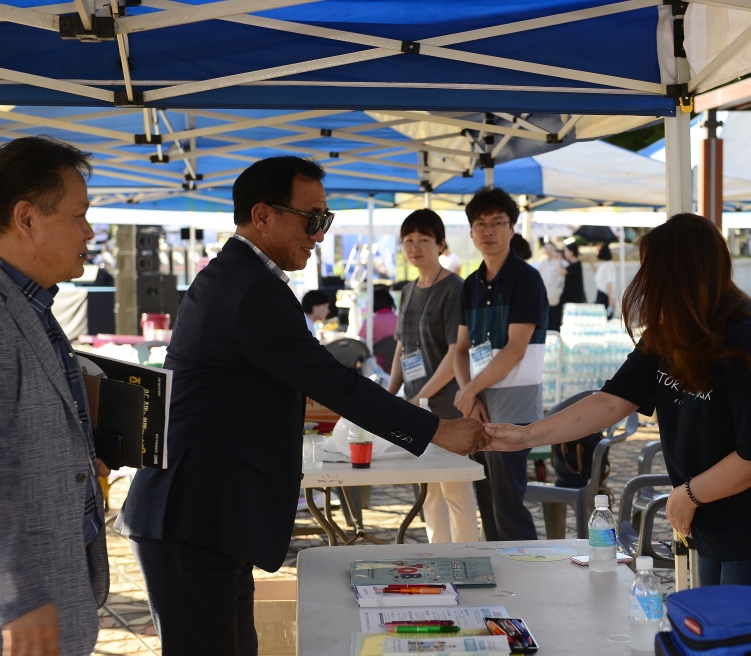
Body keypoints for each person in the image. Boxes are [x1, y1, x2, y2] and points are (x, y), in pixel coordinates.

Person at [116, 156, 488, 656]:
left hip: (207, 510)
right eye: (313, 219)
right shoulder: (251, 289)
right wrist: (437, 431)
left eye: (325, 220)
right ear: (263, 215)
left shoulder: (241, 276)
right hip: (192, 512)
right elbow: (334, 383)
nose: (318, 233)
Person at [486, 213, 751, 602]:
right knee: (718, 639)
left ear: (680, 272)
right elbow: (611, 401)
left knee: (743, 641)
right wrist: (528, 434)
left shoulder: (749, 337)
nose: (645, 281)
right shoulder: (670, 332)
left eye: (652, 268)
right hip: (716, 521)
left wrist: (689, 494)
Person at [0, 136, 110, 656]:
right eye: (79, 215)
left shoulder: (32, 304)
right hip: (25, 609)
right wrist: (16, 592)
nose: (89, 232)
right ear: (27, 217)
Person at [453, 187, 548, 542]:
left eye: (498, 223)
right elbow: (461, 349)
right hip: (478, 404)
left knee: (509, 502)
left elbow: (515, 349)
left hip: (514, 404)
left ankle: (528, 575)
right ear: (472, 231)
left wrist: (469, 390)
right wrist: (470, 396)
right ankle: (499, 573)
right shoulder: (470, 284)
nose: (489, 232)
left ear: (512, 228)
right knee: (487, 498)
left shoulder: (526, 279)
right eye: (481, 224)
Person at [387, 209, 479, 543]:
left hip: (446, 404)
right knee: (428, 491)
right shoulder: (408, 289)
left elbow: (456, 352)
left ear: (440, 245)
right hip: (415, 404)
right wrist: (390, 394)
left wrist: (419, 396)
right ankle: (437, 557)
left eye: (423, 240)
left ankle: (467, 559)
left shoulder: (455, 288)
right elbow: (401, 347)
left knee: (455, 489)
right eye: (408, 240)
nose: (415, 247)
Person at [359, 285, 398, 369]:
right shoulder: (401, 320)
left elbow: (360, 345)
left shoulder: (370, 321)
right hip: (399, 365)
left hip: (377, 367)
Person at [538, 241, 567, 332]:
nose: (549, 251)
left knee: (555, 319)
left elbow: (566, 267)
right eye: (547, 248)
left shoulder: (560, 262)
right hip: (545, 294)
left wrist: (558, 258)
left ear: (555, 249)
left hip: (556, 294)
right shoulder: (543, 262)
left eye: (551, 248)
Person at [559, 241, 587, 319]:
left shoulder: (575, 264)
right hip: (572, 296)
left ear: (571, 252)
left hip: (574, 297)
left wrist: (559, 260)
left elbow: (560, 271)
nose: (565, 254)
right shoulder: (573, 264)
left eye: (566, 251)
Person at [594, 243, 616, 319]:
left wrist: (611, 299)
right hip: (601, 293)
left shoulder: (608, 265)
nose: (596, 253)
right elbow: (597, 274)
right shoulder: (604, 264)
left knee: (602, 317)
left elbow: (609, 282)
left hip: (604, 294)